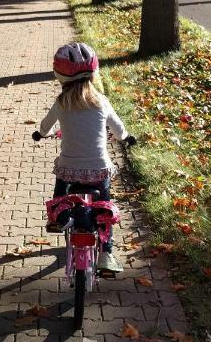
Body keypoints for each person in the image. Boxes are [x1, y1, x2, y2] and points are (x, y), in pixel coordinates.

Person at [33, 42, 136, 274]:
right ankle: (107, 252)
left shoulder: (62, 103)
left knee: (62, 182)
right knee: (104, 207)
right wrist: (127, 137)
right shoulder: (101, 101)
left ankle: (59, 216)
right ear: (93, 72)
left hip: (70, 170)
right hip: (98, 169)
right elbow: (119, 130)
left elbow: (45, 127)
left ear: (59, 75)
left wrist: (42, 135)